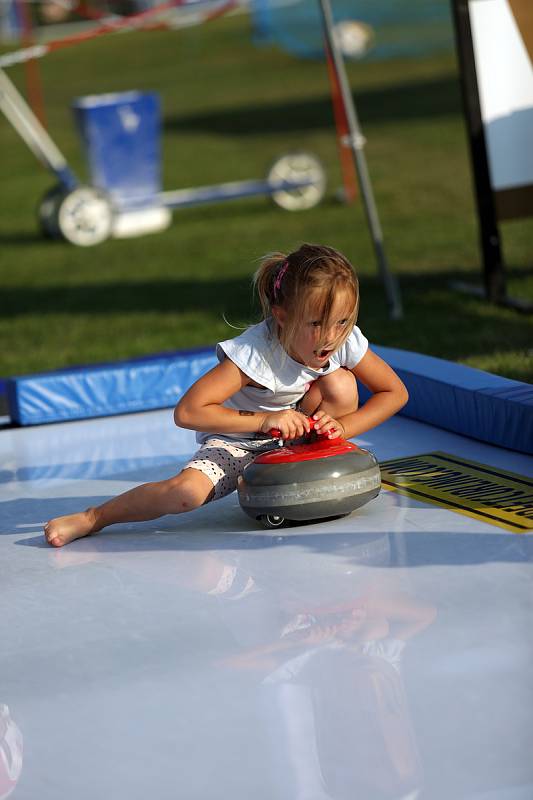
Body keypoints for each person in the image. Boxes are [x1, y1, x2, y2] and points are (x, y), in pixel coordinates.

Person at [44, 243, 408, 548]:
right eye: (315, 324)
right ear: (281, 315)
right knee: (184, 494)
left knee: (341, 384)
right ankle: (95, 517)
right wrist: (265, 420)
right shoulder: (255, 354)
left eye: (341, 322)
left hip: (296, 433)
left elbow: (394, 392)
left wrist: (340, 428)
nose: (330, 337)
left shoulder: (343, 340)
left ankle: (321, 450)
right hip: (239, 440)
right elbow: (188, 412)